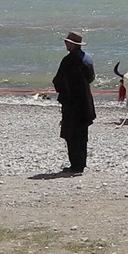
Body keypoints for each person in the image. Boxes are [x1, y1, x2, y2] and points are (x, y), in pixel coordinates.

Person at [52, 30, 97, 173]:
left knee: (71, 134)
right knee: (83, 133)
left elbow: (58, 81)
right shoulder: (87, 58)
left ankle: (75, 165)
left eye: (66, 42)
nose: (65, 44)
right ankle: (81, 163)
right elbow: (91, 78)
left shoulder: (68, 61)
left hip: (72, 101)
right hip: (85, 100)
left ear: (71, 44)